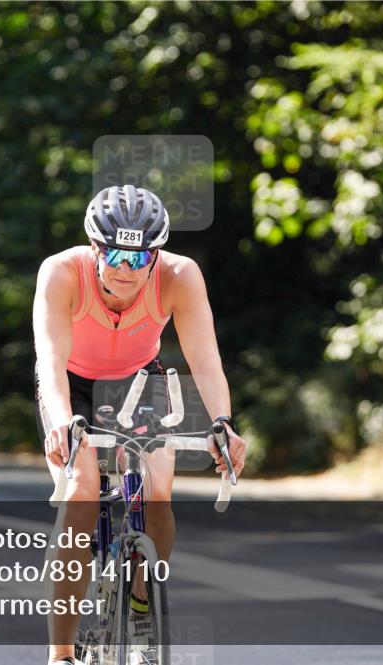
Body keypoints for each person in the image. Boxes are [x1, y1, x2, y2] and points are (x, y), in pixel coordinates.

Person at [33, 185, 247, 665]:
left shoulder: (179, 275)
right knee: (81, 492)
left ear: (156, 255)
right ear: (94, 247)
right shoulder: (61, 272)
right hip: (72, 385)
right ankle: (61, 652)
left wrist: (222, 424)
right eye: (114, 254)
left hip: (139, 382)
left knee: (158, 490)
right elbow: (50, 360)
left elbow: (206, 361)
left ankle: (141, 606)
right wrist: (62, 423)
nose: (125, 268)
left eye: (139, 256)